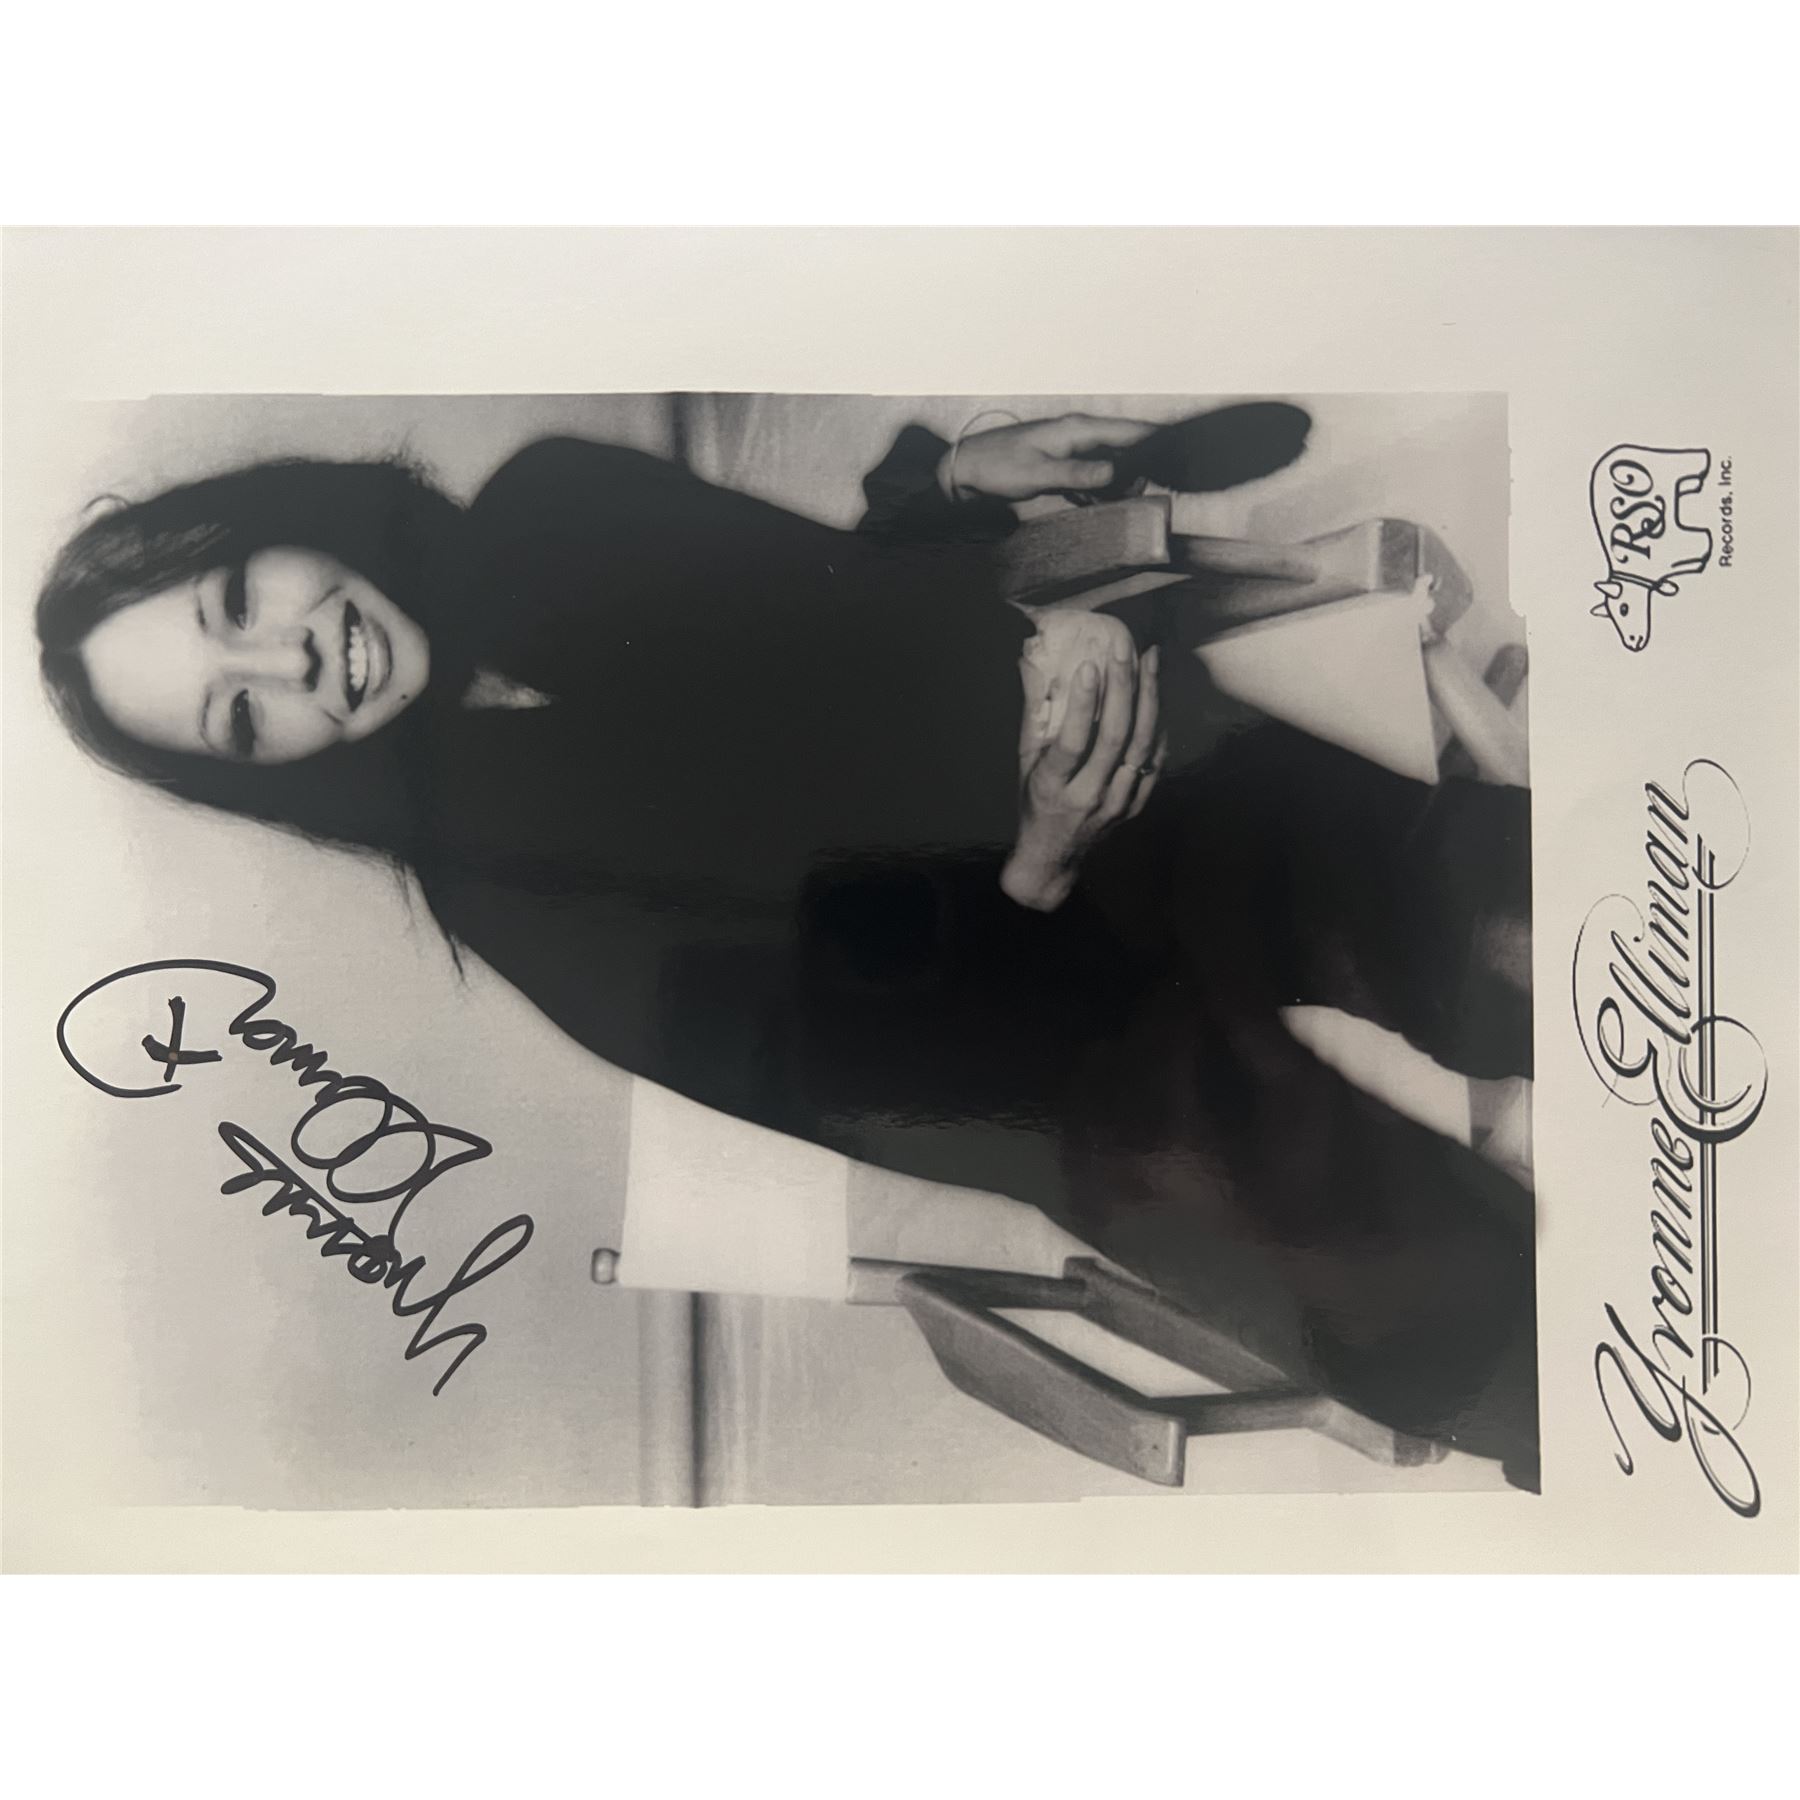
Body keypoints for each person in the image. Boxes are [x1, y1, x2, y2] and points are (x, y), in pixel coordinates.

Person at [37, 410, 1538, 1488]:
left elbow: (847, 622)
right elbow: (878, 1074)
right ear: (273, 770)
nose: (292, 656)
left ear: (278, 524)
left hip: (1155, 800)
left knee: (1524, 934)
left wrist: (949, 493)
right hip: (1062, 1064)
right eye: (244, 711)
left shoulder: (552, 510)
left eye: (237, 600)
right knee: (1459, 1317)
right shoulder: (502, 902)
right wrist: (1037, 860)